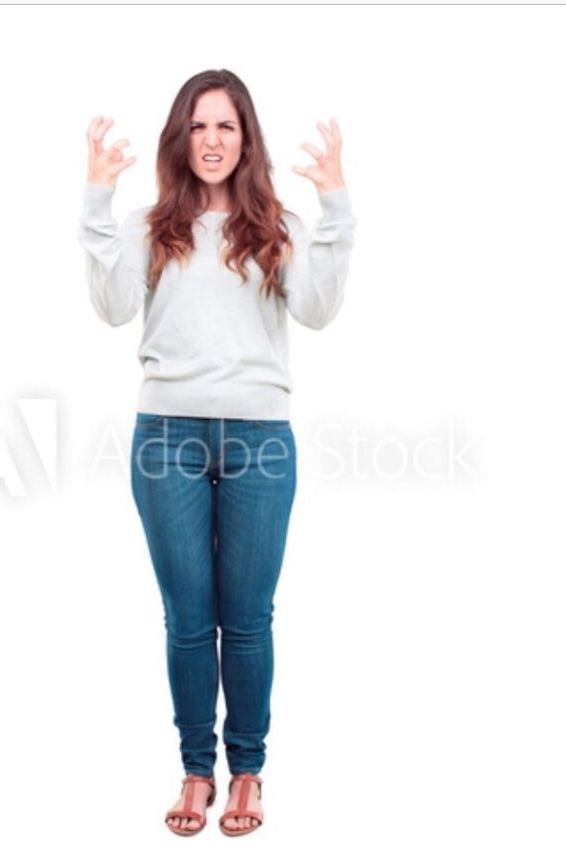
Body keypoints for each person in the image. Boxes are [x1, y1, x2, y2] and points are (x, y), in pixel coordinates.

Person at [77, 69, 358, 837]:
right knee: (188, 619)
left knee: (249, 618)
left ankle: (248, 774)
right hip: (165, 439)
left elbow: (318, 311)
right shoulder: (150, 225)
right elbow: (110, 308)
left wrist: (335, 209)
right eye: (198, 126)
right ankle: (196, 770)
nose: (211, 140)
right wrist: (97, 201)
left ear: (245, 138)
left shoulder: (277, 226)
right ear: (181, 137)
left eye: (225, 126)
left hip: (259, 442)